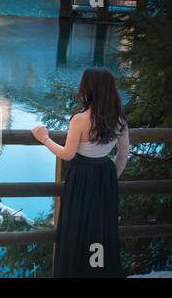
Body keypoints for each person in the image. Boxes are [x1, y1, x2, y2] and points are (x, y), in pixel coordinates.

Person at [31, 67, 129, 278]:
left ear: (88, 88)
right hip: (106, 175)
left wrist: (44, 138)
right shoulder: (119, 117)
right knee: (100, 230)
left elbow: (67, 154)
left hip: (82, 177)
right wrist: (112, 178)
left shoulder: (81, 118)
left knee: (76, 230)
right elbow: (123, 153)